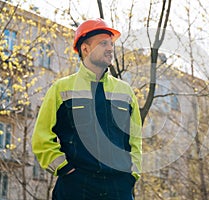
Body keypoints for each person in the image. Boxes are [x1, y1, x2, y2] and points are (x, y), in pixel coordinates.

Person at [32, 18, 142, 200]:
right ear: (85, 49)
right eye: (103, 43)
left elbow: (135, 140)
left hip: (118, 189)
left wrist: (131, 176)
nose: (110, 48)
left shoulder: (126, 92)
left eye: (111, 43)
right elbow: (41, 138)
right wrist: (65, 169)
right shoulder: (61, 89)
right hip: (76, 188)